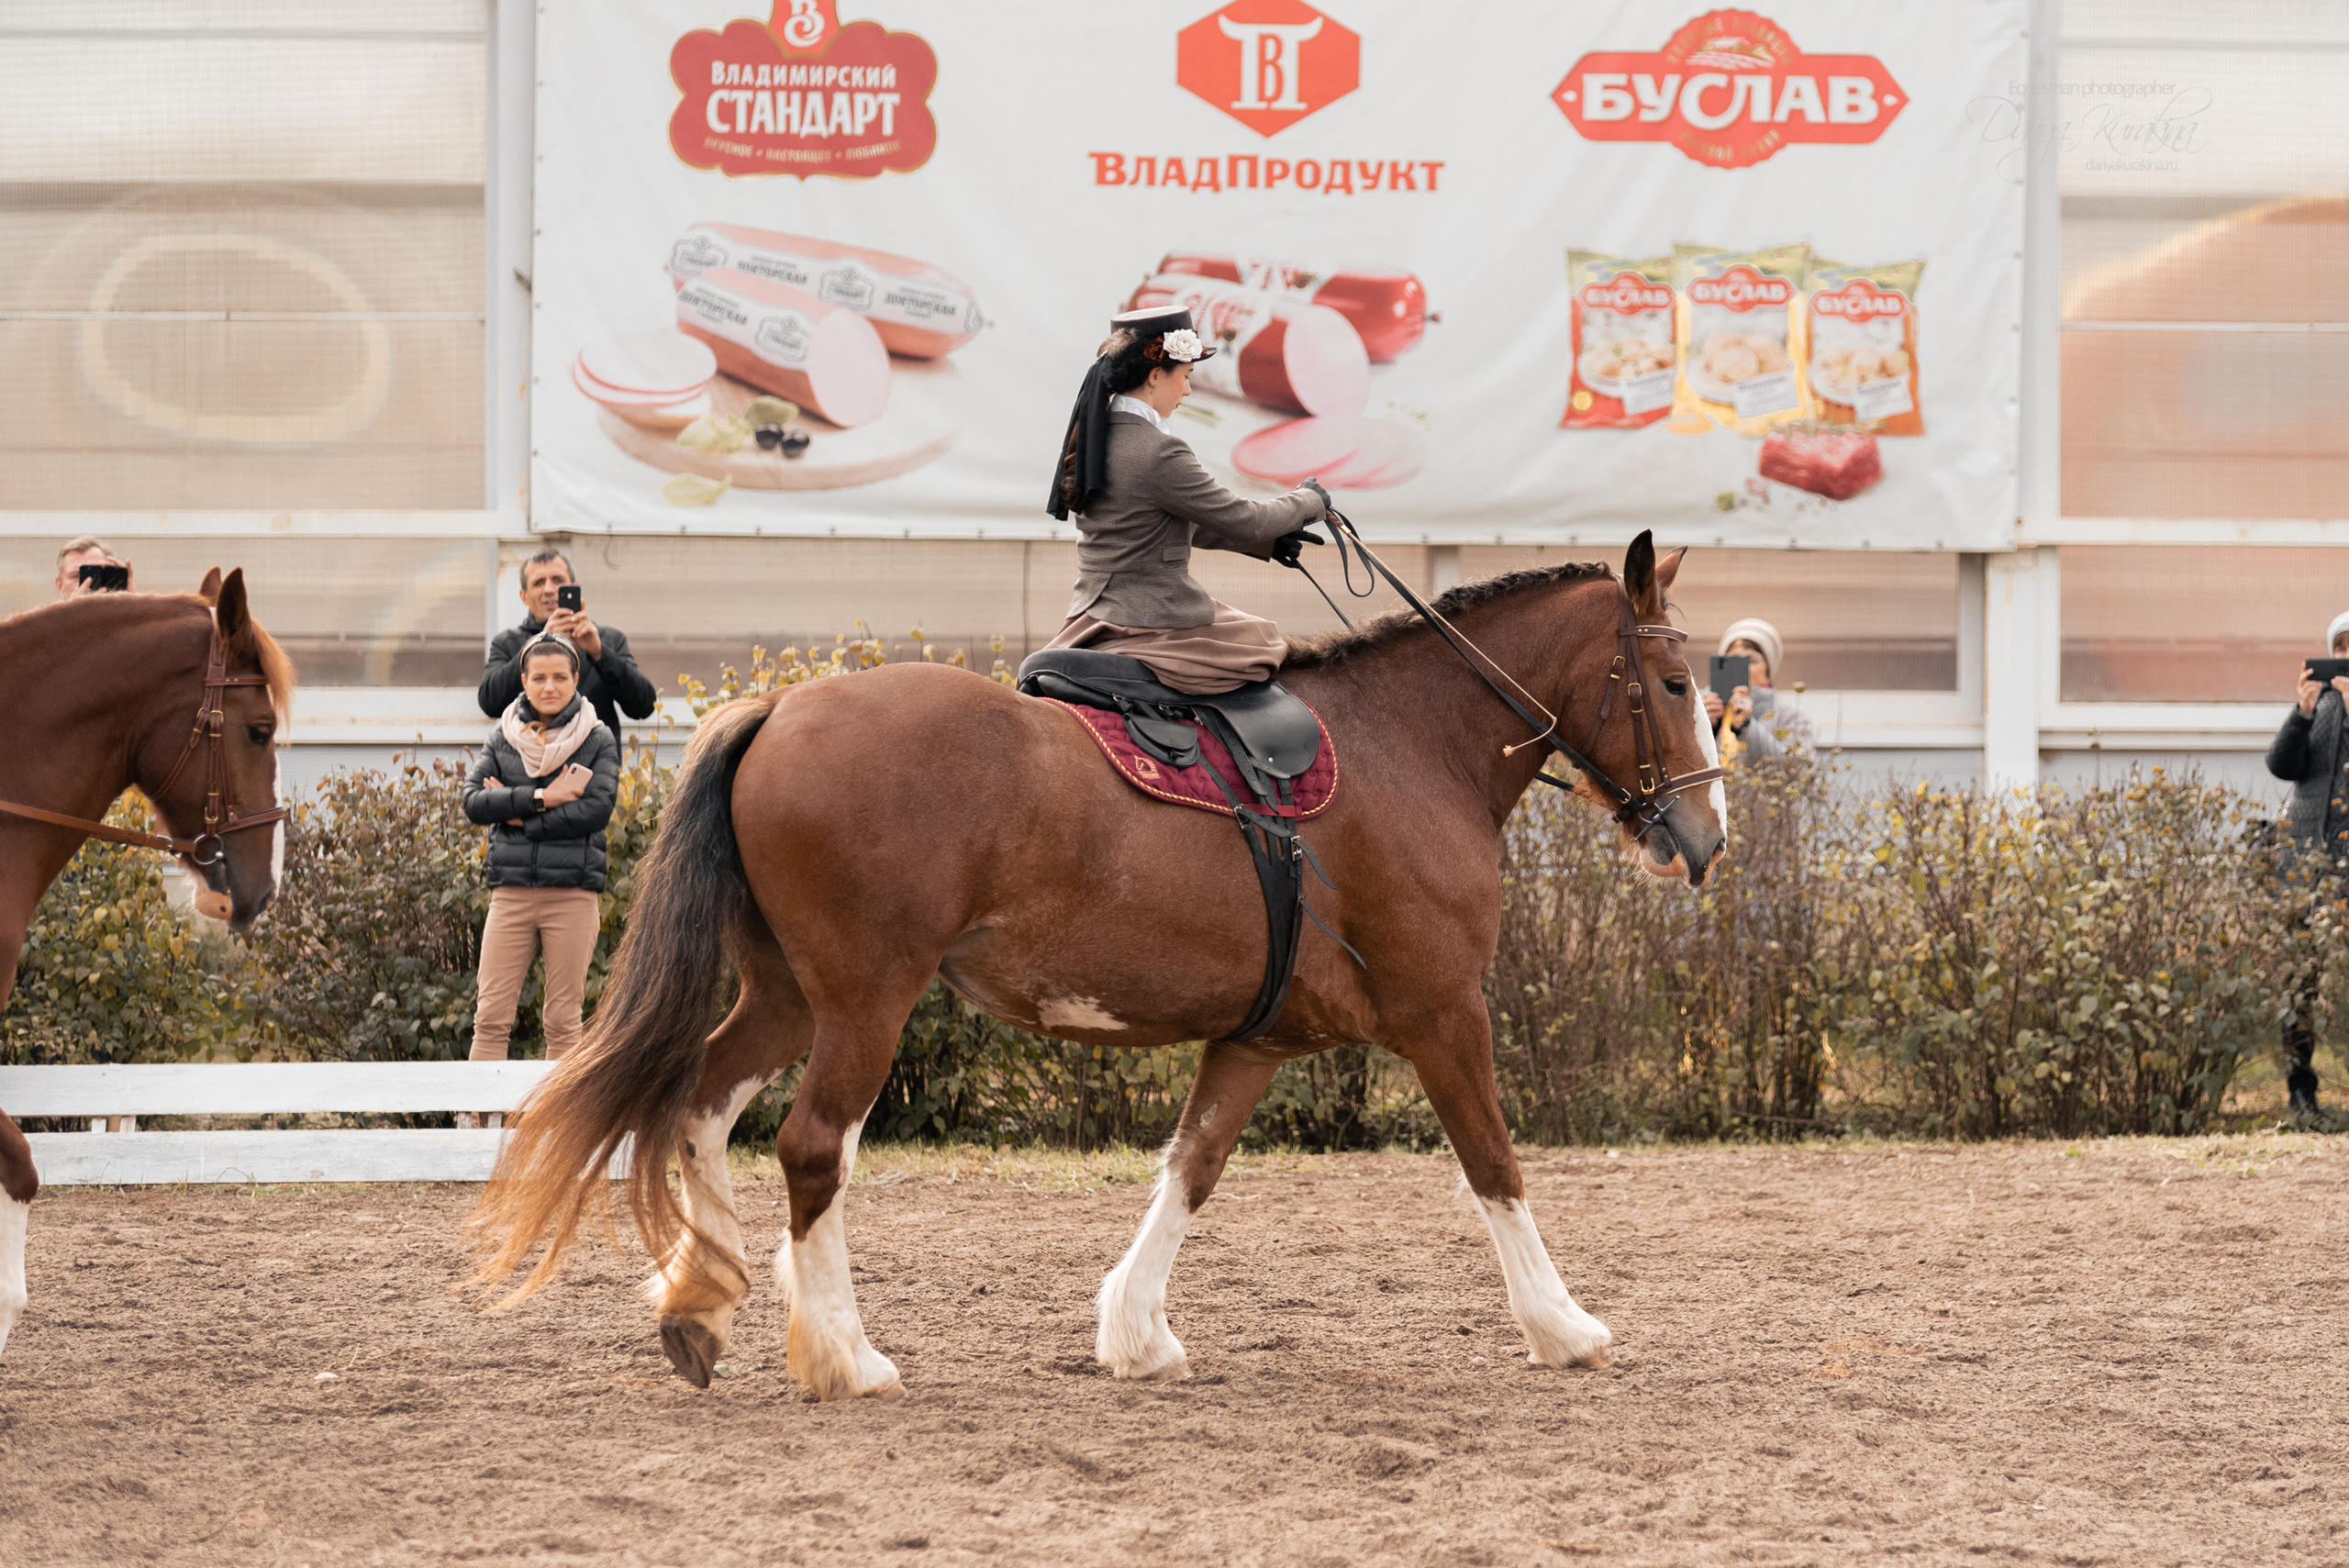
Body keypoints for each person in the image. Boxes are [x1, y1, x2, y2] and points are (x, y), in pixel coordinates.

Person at [1041, 306, 1330, 695]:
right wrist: (1309, 502)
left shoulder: (1101, 435)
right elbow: (1245, 518)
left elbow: (1155, 524)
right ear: (1157, 375)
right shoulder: (1160, 452)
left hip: (1091, 612)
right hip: (1148, 616)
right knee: (1267, 643)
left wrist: (1268, 543)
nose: (1189, 390)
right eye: (1187, 376)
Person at [461, 632, 620, 1080]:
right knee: (490, 1019)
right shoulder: (503, 735)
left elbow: (593, 811)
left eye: (560, 678)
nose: (549, 687)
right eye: (538, 678)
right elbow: (473, 801)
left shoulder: (597, 738)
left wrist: (514, 815)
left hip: (571, 895)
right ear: (524, 682)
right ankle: (478, 1122)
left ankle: (558, 1133)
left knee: (564, 1023)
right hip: (510, 894)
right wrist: (544, 798)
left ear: (575, 681)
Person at [2263, 608, 2349, 1127]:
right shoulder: (2318, 706)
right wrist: (2300, 712)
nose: (2346, 660)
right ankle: (2301, 1094)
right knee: (2300, 982)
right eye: (2340, 649)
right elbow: (2281, 766)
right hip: (2307, 865)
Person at [478, 549, 659, 745]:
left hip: (596, 768)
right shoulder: (507, 643)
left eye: (557, 580)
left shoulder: (608, 639)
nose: (549, 589)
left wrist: (600, 654)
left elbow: (643, 707)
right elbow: (490, 703)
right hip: (528, 770)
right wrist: (539, 642)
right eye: (538, 583)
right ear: (524, 596)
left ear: (574, 587)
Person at [1701, 617, 1806, 760]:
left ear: (1768, 674)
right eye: (1734, 659)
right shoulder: (1702, 711)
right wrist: (1704, 725)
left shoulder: (1791, 717)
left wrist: (1746, 727)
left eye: (1751, 660)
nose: (1742, 668)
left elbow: (1797, 768)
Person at [55, 537, 129, 599]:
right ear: (60, 586)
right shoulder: (46, 616)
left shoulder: (129, 613)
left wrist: (133, 604)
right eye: (76, 576)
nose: (87, 584)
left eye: (94, 574)